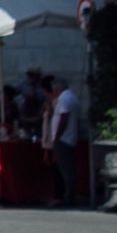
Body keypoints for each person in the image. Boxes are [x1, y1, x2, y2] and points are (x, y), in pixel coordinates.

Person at [45, 74, 80, 205]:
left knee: (65, 169)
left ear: (57, 89)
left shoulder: (64, 99)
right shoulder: (72, 97)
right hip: (69, 138)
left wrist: (57, 136)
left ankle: (68, 195)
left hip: (64, 139)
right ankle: (69, 193)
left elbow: (63, 117)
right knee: (67, 167)